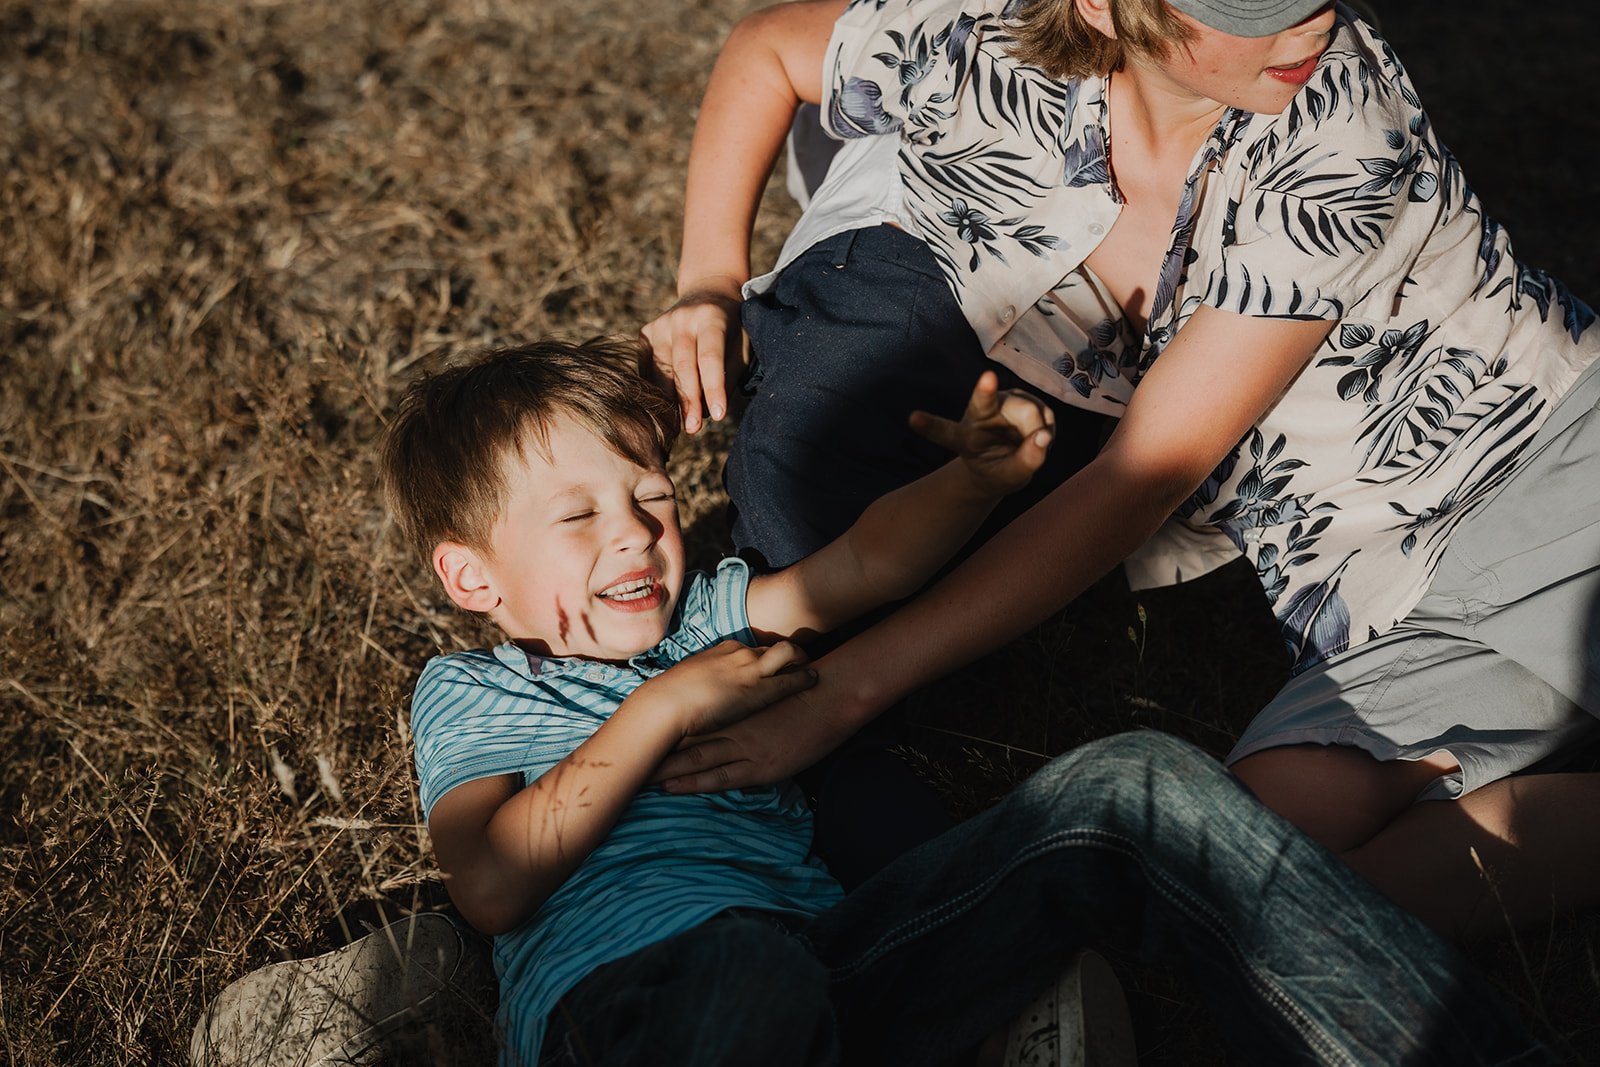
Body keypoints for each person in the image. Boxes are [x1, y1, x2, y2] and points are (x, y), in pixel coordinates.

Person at [643, 0, 1600, 940]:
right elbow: (768, 48)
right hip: (1389, 590)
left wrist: (841, 692)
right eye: (1255, 7)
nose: (1309, 23)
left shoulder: (1339, 123)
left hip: (1556, 461)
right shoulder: (992, 40)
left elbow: (1135, 482)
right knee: (1251, 870)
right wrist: (707, 280)